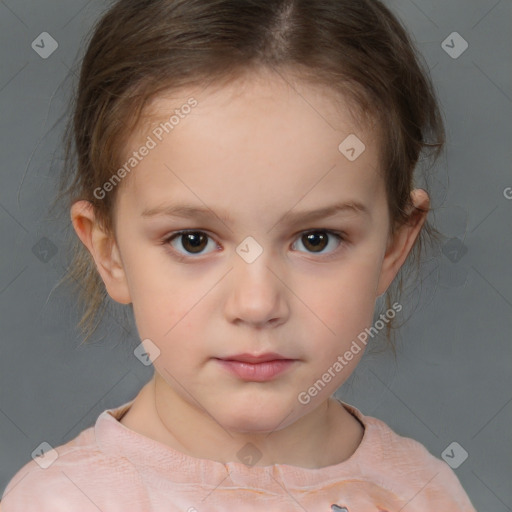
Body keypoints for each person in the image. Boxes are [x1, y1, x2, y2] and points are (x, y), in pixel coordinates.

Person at [1, 0, 477, 510]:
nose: (256, 304)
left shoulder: (424, 493)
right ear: (109, 251)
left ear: (393, 246)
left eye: (316, 239)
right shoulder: (62, 501)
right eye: (193, 241)